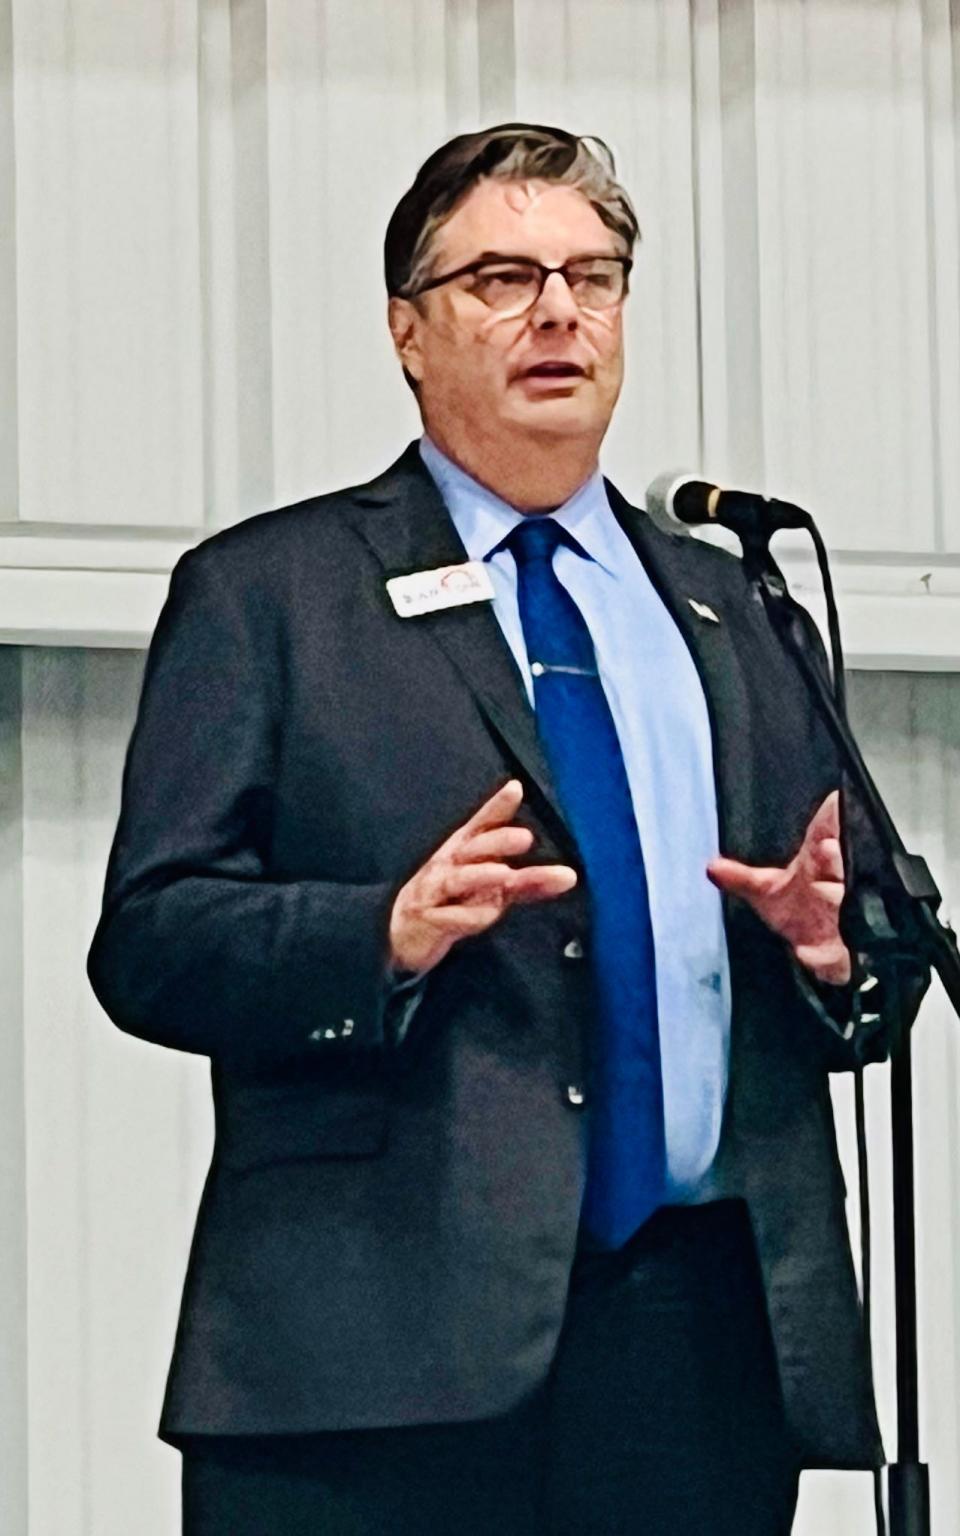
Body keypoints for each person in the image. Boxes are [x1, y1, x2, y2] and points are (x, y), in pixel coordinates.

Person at [87, 123, 914, 1536]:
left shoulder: (736, 608)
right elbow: (153, 940)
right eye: (502, 279)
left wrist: (839, 952)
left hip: (697, 1349)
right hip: (371, 1363)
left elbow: (885, 933)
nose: (557, 313)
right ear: (409, 332)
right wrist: (379, 935)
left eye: (594, 276)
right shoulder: (274, 594)